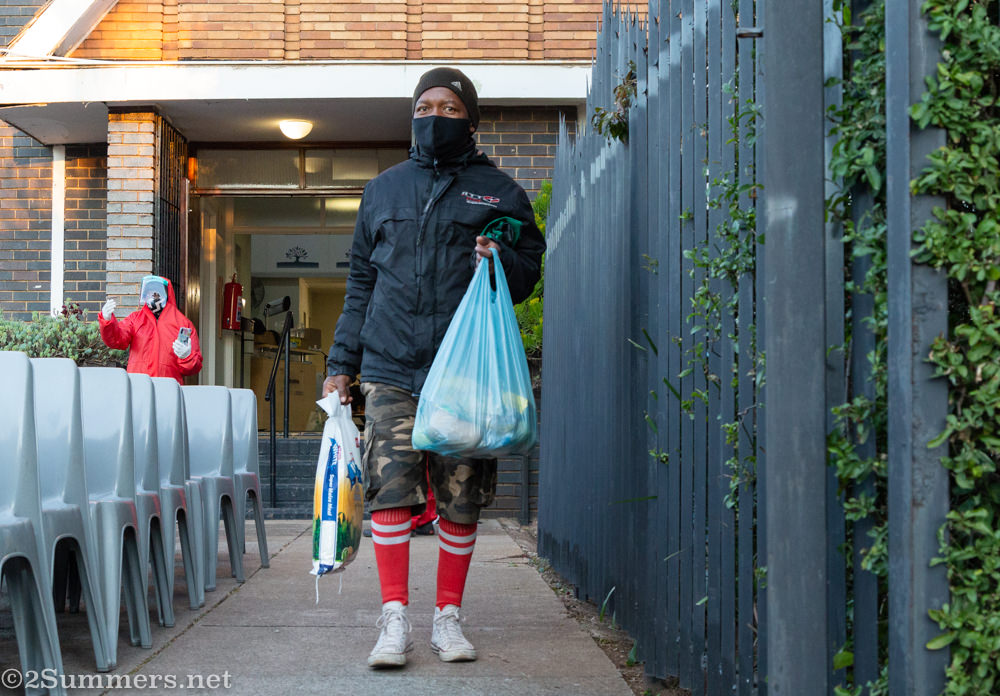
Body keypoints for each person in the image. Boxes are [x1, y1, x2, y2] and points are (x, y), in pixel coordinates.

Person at [325, 67, 545, 669]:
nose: (436, 115)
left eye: (450, 107)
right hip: (391, 365)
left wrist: (502, 258)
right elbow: (361, 283)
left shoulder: (499, 191)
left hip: (465, 373)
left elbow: (530, 269)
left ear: (470, 121)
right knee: (389, 489)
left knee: (461, 495)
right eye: (426, 105)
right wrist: (341, 364)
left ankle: (448, 615)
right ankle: (394, 616)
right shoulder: (384, 190)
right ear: (412, 115)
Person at [98, 275, 203, 384]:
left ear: (166, 293)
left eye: (157, 291)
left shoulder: (183, 324)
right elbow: (117, 339)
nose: (153, 295)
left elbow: (193, 368)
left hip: (168, 390)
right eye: (149, 292)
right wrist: (107, 321)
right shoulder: (135, 319)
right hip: (138, 388)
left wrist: (187, 357)